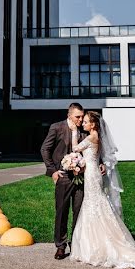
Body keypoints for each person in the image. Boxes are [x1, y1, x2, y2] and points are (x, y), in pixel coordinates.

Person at [69, 111, 135, 269]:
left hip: (92, 175)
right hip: (93, 172)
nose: (83, 124)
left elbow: (75, 148)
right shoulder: (96, 137)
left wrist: (74, 132)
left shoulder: (91, 137)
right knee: (96, 203)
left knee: (93, 204)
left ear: (93, 124)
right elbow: (90, 156)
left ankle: (96, 246)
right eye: (82, 122)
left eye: (86, 122)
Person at [40, 102, 87, 260]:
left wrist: (99, 164)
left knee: (79, 211)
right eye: (77, 117)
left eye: (82, 116)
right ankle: (60, 246)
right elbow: (45, 149)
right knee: (61, 211)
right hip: (63, 176)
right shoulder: (57, 127)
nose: (80, 119)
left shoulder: (84, 130)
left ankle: (76, 244)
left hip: (81, 177)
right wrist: (52, 170)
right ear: (69, 115)